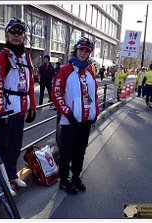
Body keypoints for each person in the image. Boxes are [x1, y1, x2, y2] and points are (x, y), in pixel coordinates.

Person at [0, 17, 36, 188]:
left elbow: (30, 84)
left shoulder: (26, 58)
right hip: (5, 111)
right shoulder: (1, 56)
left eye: (20, 32)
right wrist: (0, 111)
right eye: (13, 32)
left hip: (20, 110)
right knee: (0, 148)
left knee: (15, 146)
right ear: (7, 35)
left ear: (24, 36)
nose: (16, 35)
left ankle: (10, 175)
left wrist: (32, 106)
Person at [51, 37, 99, 195]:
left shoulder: (90, 72)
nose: (84, 53)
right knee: (67, 153)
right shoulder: (65, 70)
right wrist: (68, 113)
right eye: (81, 50)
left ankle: (76, 178)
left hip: (85, 122)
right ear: (75, 50)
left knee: (80, 152)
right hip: (70, 122)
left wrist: (95, 112)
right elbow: (56, 94)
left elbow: (94, 95)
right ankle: (63, 181)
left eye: (87, 51)